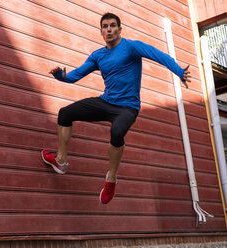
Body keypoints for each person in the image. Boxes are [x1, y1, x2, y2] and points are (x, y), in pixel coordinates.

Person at [41, 12, 191, 204]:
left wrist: (179, 72)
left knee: (117, 132)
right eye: (105, 26)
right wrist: (61, 77)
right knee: (65, 114)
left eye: (113, 26)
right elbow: (75, 76)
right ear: (101, 31)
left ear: (120, 29)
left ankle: (111, 179)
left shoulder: (131, 47)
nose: (109, 29)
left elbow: (159, 55)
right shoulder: (98, 56)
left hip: (127, 108)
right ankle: (60, 161)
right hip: (106, 102)